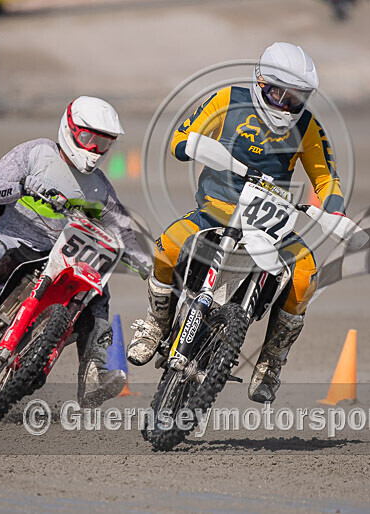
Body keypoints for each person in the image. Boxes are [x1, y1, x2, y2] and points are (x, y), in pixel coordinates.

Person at [127, 42, 346, 404]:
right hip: (216, 208)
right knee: (166, 247)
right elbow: (182, 137)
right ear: (261, 82)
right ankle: (156, 322)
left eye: (296, 98)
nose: (286, 105)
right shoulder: (227, 99)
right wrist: (190, 146)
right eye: (280, 94)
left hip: (270, 220)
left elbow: (327, 178)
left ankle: (272, 361)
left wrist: (334, 210)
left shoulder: (307, 126)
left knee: (306, 275)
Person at [0, 96, 151, 407]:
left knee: (99, 294)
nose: (94, 149)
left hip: (64, 258)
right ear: (70, 129)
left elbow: (121, 228)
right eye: (88, 138)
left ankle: (93, 371)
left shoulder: (100, 186)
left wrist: (147, 265)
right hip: (17, 243)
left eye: (103, 143)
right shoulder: (36, 152)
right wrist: (23, 187)